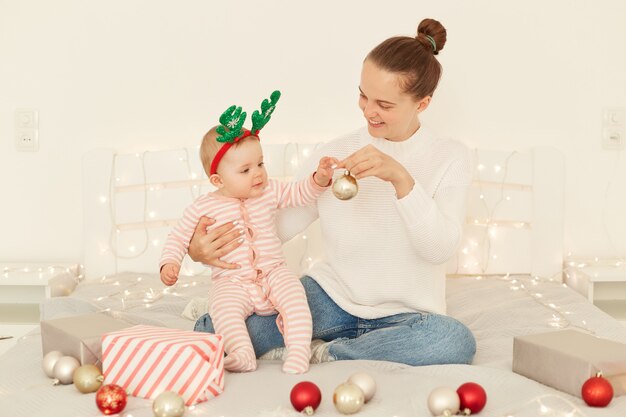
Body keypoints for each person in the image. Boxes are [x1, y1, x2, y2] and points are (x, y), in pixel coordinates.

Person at [190, 18, 476, 367]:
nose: (369, 111)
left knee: (453, 342)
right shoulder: (335, 152)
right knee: (212, 336)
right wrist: (201, 247)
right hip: (330, 299)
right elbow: (274, 225)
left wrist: (402, 180)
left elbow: (438, 249)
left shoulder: (450, 157)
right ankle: (248, 316)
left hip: (407, 313)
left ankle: (330, 352)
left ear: (423, 103)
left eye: (384, 105)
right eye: (363, 95)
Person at [159, 90, 336, 374]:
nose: (258, 173)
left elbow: (299, 194)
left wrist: (319, 179)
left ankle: (300, 350)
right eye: (245, 170)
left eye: (260, 164)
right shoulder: (204, 206)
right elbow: (178, 237)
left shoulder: (269, 191)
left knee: (296, 299)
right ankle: (242, 353)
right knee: (224, 312)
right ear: (218, 179)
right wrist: (170, 262)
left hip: (273, 273)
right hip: (232, 282)